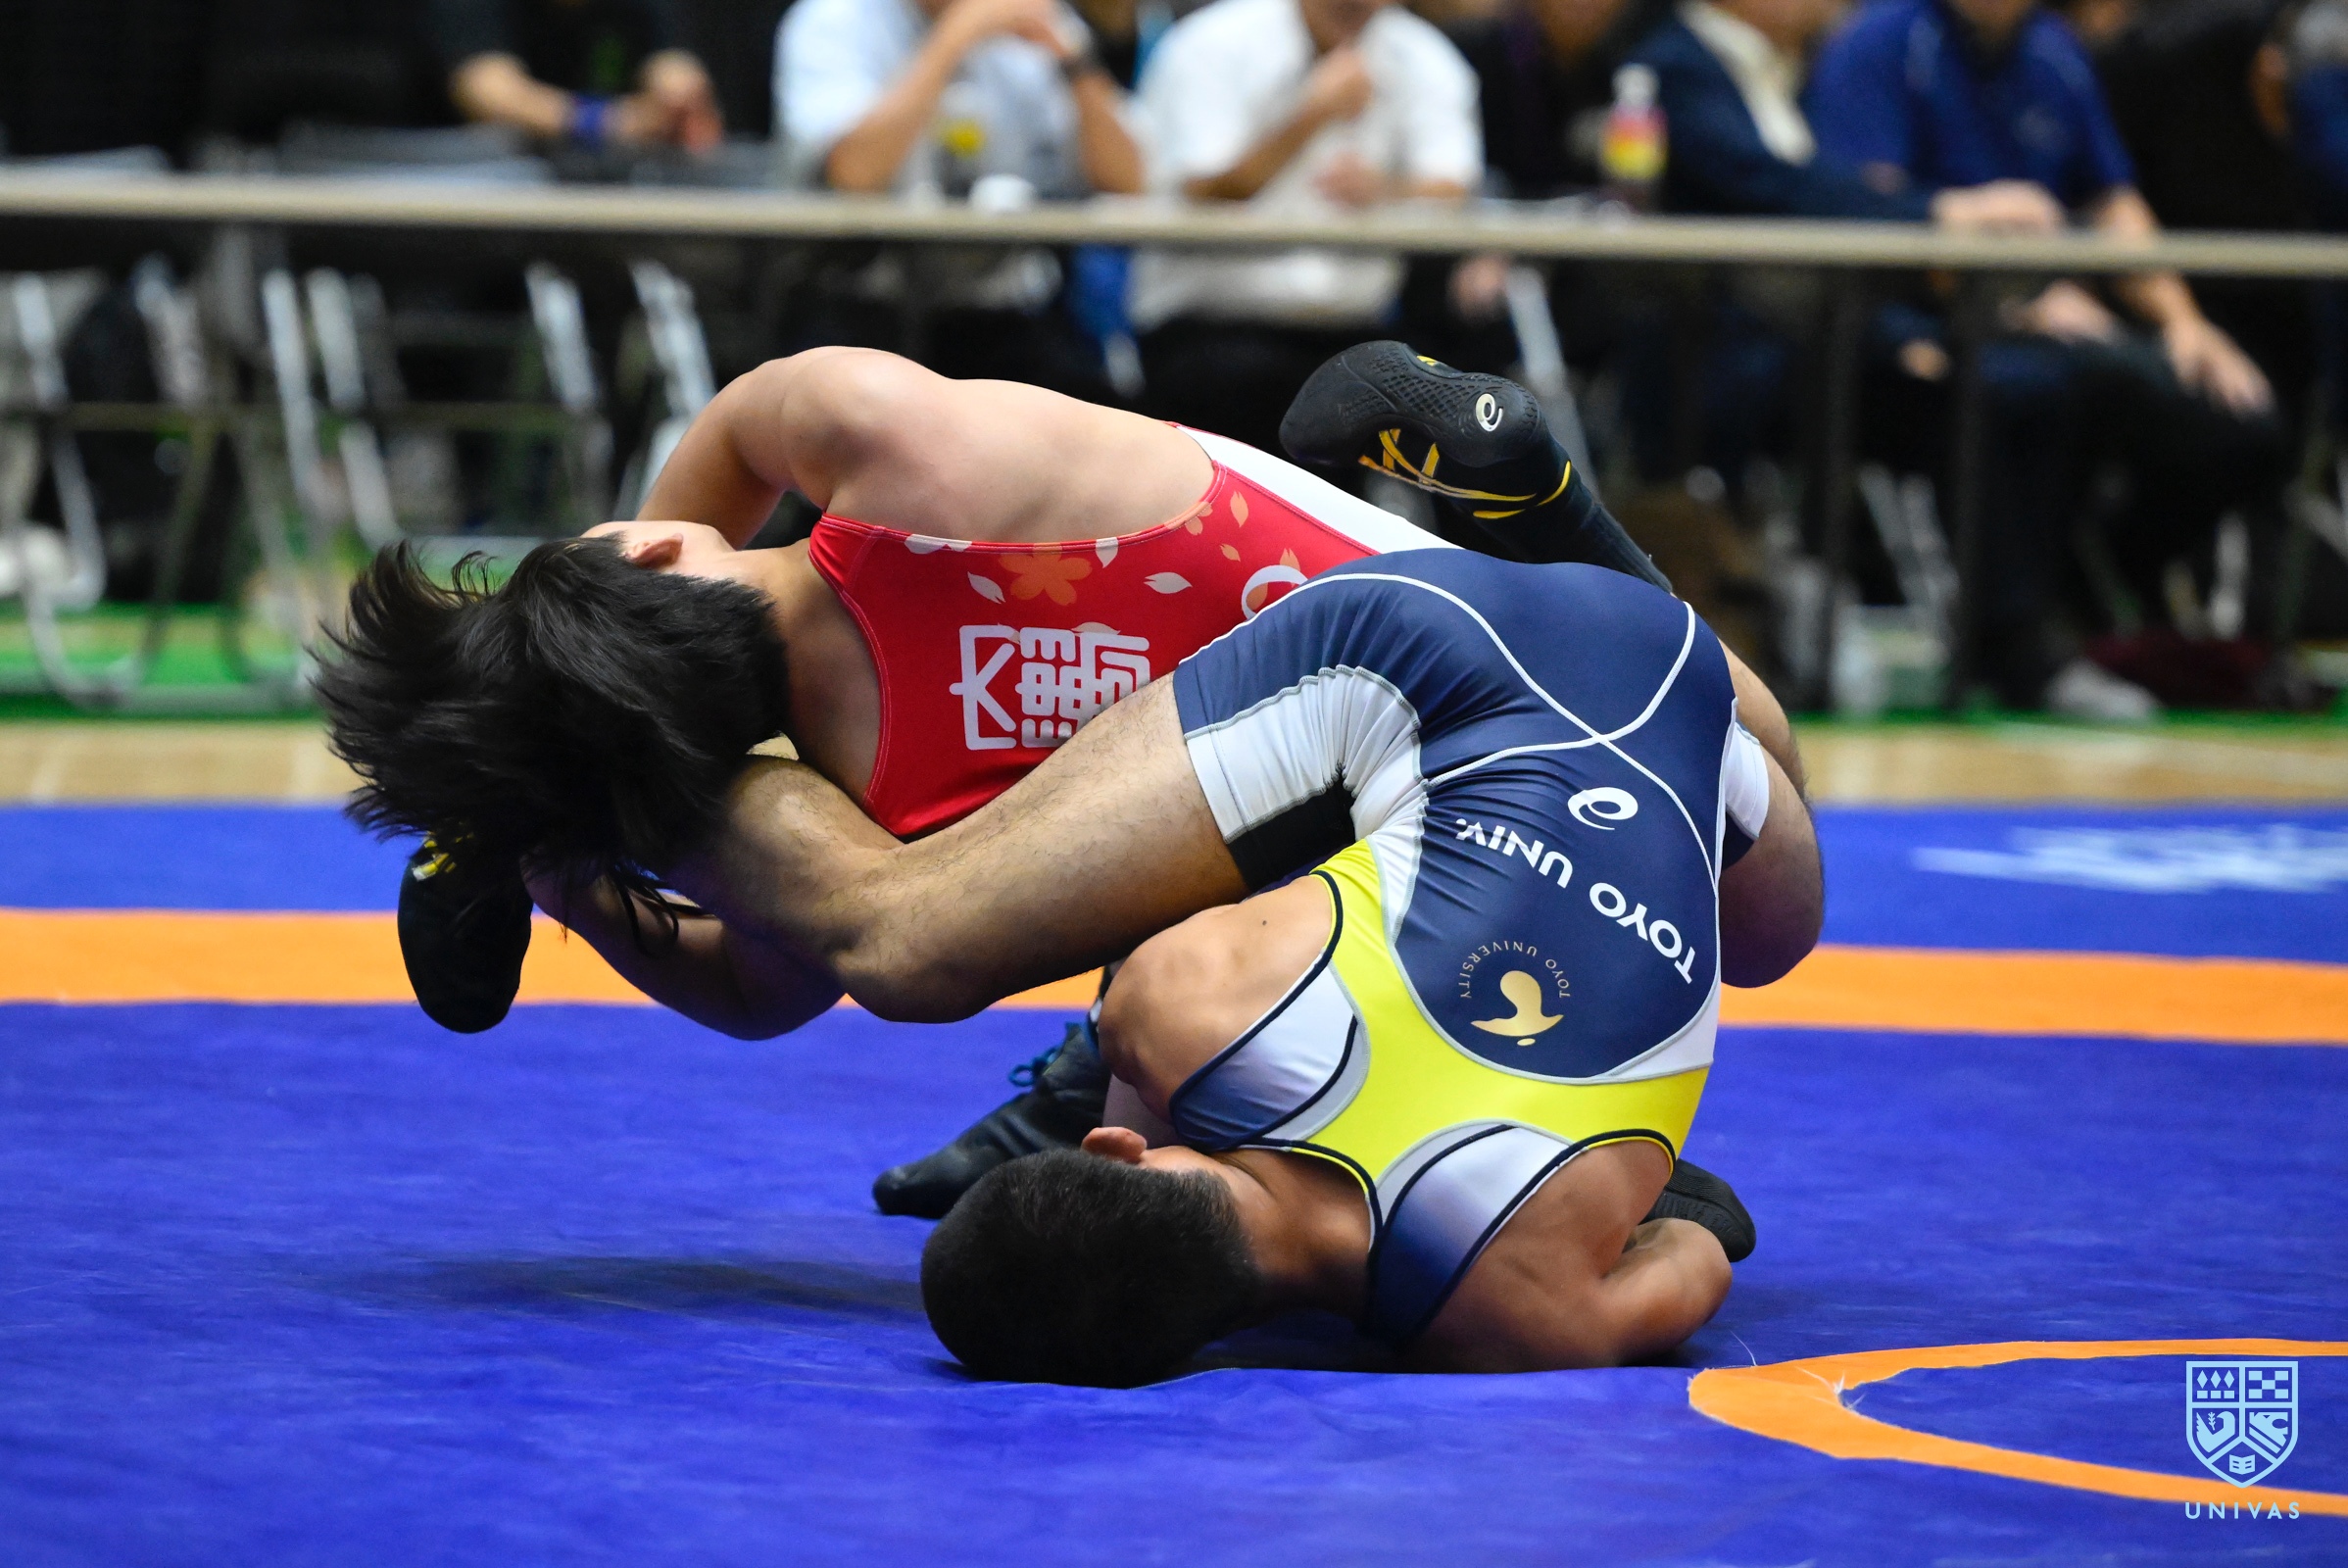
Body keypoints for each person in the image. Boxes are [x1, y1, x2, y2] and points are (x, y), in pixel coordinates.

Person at [323, 344, 1667, 1214]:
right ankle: (1564, 528)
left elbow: (752, 992)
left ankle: (1130, 1082)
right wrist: (602, 627)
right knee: (1704, 762)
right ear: (660, 555)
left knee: (1184, 1043)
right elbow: (737, 427)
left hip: (1411, 824)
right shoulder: (890, 443)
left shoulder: (878, 821)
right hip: (1505, 695)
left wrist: (560, 862)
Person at [921, 534, 1819, 1381]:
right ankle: (1572, 531)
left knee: (1775, 932)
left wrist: (1597, 1212)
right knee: (917, 959)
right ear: (1110, 1146)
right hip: (1439, 627)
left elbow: (1699, 1252)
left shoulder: (1531, 1320)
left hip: (1694, 727)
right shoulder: (1177, 1005)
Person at [1806, 0, 2290, 713]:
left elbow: (2112, 201)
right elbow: (1864, 209)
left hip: (2062, 321)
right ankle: (2021, 653)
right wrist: (2010, 295)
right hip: (1916, 330)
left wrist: (2185, 322)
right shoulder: (1879, 45)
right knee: (2022, 394)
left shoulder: (2053, 50)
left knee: (2238, 423)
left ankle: (2099, 584)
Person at [1128, 0, 1484, 452]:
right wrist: (1313, 113)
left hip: (1355, 335)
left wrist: (1385, 188)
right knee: (1254, 387)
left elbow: (1455, 184)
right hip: (1210, 328)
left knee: (1450, 395)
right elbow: (1204, 187)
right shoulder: (1210, 44)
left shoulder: (1421, 55)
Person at [425, 0, 721, 155]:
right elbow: (486, 88)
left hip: (613, 191)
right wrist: (606, 122)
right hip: (483, 188)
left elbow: (673, 66)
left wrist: (678, 96)